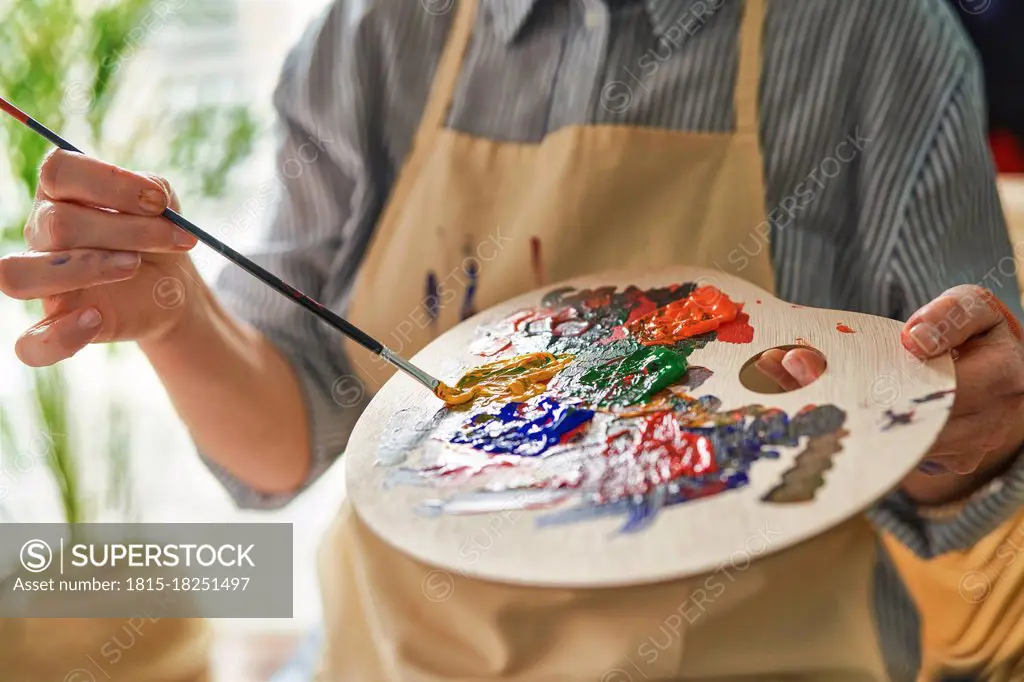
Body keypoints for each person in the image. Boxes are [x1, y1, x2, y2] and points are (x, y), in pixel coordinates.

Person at [2, 0, 1024, 679]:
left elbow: (956, 463)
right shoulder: (374, 35)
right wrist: (178, 321)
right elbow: (283, 445)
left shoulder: (873, 36)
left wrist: (962, 427)